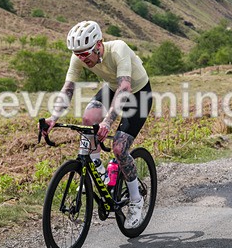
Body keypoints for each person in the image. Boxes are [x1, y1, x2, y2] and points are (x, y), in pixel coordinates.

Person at [42, 20, 154, 228]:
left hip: (137, 93)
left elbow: (124, 90)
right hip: (112, 87)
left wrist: (107, 122)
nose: (82, 59)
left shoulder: (118, 49)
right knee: (88, 119)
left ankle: (136, 200)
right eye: (78, 54)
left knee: (119, 148)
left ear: (99, 44)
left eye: (85, 54)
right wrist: (53, 118)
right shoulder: (79, 57)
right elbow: (68, 89)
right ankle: (98, 170)